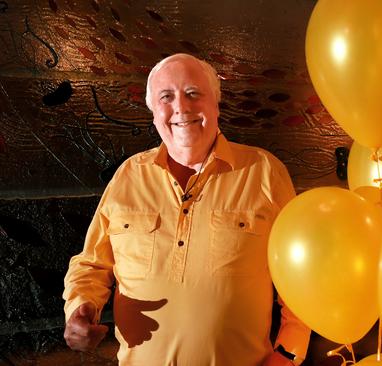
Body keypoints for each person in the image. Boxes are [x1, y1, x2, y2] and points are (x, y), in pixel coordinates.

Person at [62, 53, 310, 365]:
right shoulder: (128, 176)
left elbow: (301, 279)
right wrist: (79, 309)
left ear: (216, 106)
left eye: (193, 93)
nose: (181, 107)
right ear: (154, 113)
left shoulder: (264, 172)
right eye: (167, 97)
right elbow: (92, 265)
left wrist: (288, 354)